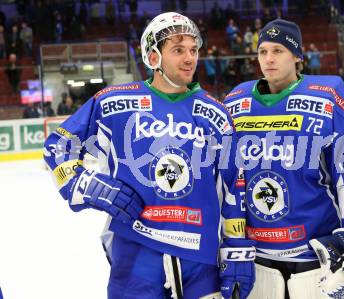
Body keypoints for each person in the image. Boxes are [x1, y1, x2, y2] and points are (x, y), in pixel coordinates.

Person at [44, 12, 255, 299]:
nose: (190, 58)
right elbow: (59, 146)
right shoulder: (114, 103)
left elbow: (234, 184)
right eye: (178, 50)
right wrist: (89, 185)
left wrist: (236, 247)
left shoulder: (215, 114)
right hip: (136, 250)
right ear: (153, 57)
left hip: (200, 257)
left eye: (193, 50)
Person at [224, 19, 344, 299]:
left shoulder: (329, 99)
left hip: (318, 262)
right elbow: (228, 179)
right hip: (257, 263)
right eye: (263, 51)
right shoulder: (236, 101)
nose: (268, 59)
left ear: (297, 56)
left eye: (278, 51)